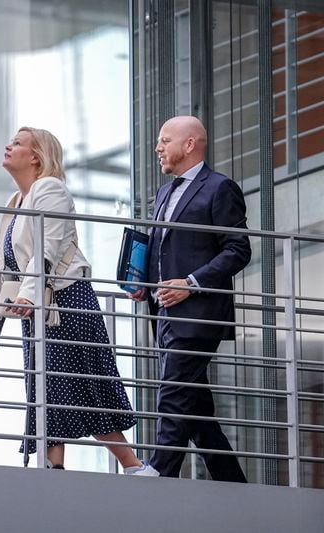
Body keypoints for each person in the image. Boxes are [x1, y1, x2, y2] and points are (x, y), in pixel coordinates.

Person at [0, 127, 146, 473]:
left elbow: (45, 253)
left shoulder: (50, 190)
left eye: (17, 143)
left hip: (66, 302)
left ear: (35, 156)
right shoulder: (15, 203)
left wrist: (27, 298)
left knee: (86, 384)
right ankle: (54, 469)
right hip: (36, 307)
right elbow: (9, 271)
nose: (8, 146)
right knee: (45, 390)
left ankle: (133, 465)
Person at [126, 115, 251, 482]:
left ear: (191, 144)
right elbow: (162, 249)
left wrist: (193, 283)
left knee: (175, 391)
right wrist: (143, 283)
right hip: (164, 313)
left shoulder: (219, 188)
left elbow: (238, 250)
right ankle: (233, 484)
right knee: (196, 411)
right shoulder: (164, 193)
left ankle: (160, 471)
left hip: (198, 313)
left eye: (165, 140)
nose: (157, 148)